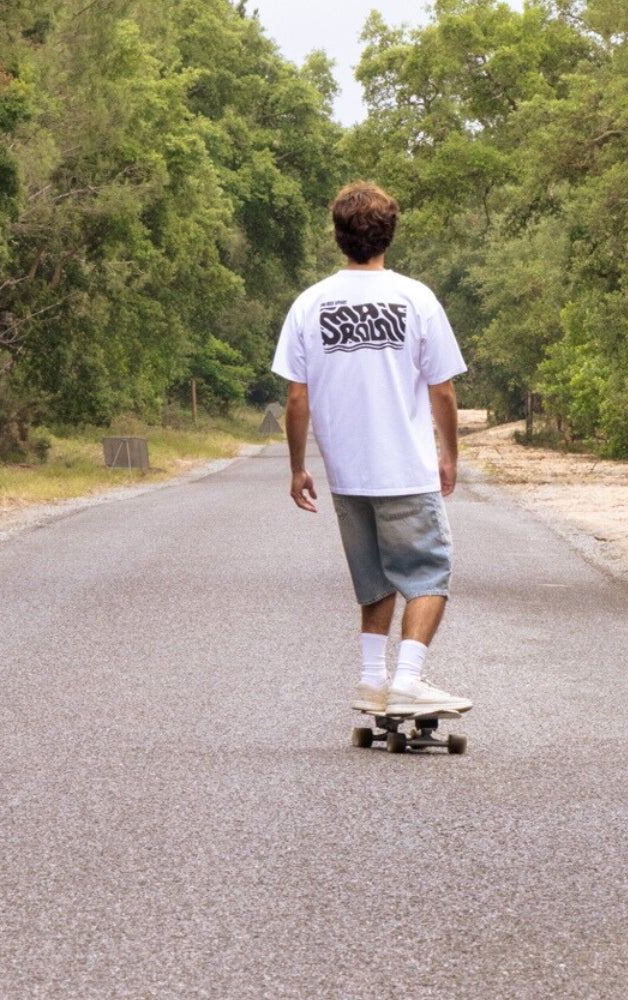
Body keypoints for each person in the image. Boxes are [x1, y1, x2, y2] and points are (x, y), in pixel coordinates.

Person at [273, 181, 471, 716]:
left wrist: (298, 468)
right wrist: (448, 454)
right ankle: (406, 681)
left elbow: (296, 397)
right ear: (390, 233)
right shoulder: (417, 299)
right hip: (404, 469)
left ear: (338, 236)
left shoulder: (309, 304)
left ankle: (370, 680)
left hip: (347, 473)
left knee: (374, 577)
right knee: (428, 574)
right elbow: (444, 389)